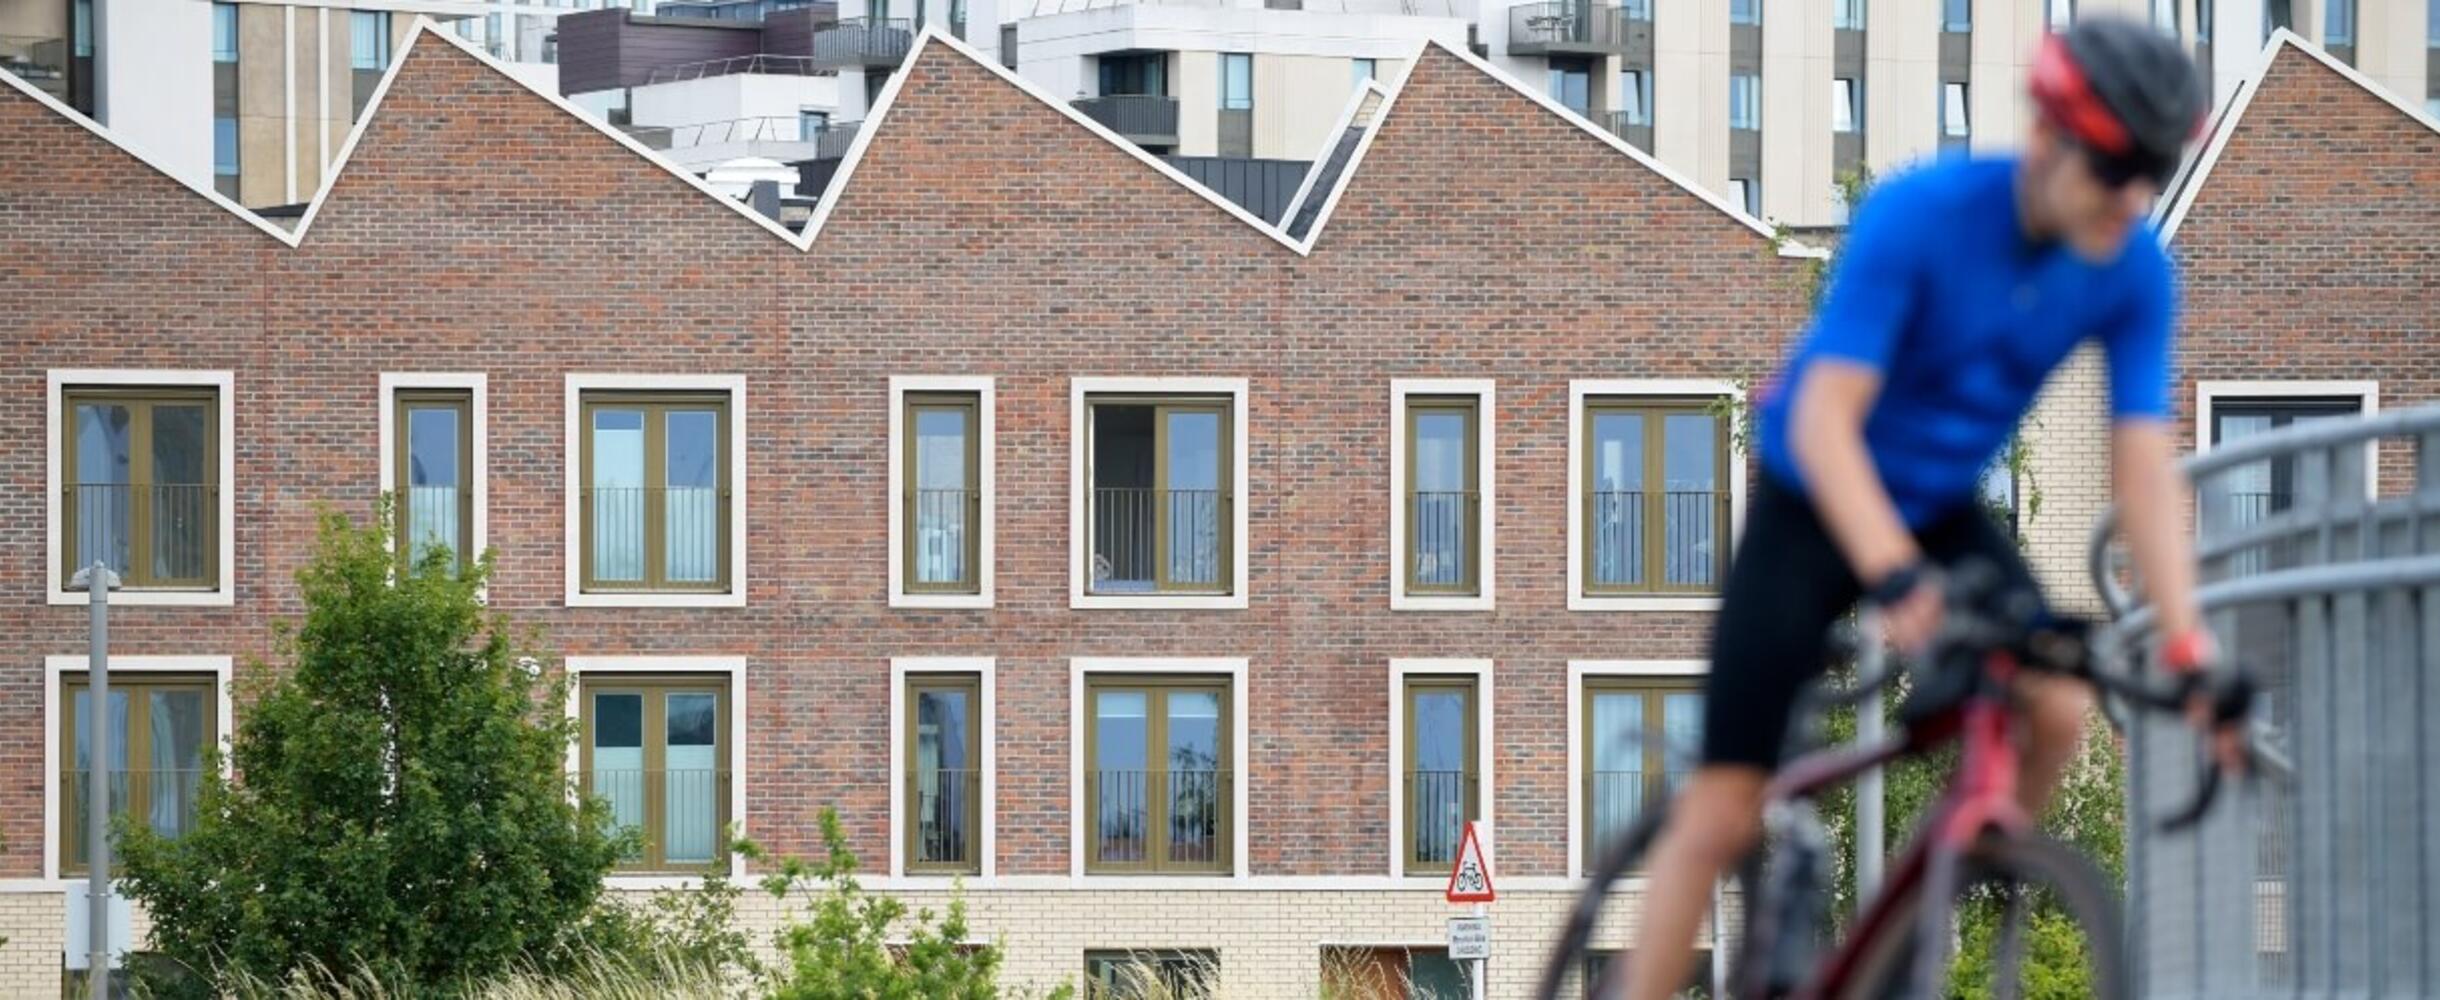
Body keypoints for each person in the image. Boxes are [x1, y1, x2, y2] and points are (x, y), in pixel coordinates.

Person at [1617, 17, 2230, 1000]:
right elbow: (1825, 422)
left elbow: (2144, 464)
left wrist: (2189, 646)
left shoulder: (2132, 269)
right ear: (2048, 134)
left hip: (1939, 505)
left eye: (2150, 173)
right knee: (1725, 804)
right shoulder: (1922, 214)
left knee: (2056, 702)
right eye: (2114, 167)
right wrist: (1895, 576)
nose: (2131, 198)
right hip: (1813, 497)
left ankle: (1913, 925)